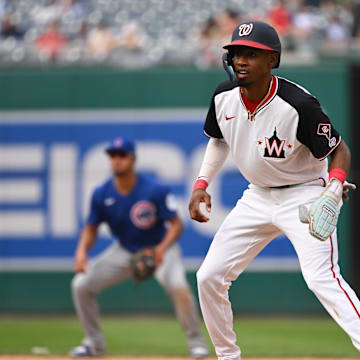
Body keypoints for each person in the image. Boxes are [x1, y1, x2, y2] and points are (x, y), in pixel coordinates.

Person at [188, 20, 359, 360]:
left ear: (273, 61)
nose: (241, 60)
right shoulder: (223, 97)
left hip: (305, 194)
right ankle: (227, 356)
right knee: (209, 276)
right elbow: (218, 140)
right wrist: (201, 184)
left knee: (321, 278)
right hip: (257, 196)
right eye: (236, 53)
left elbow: (340, 149)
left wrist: (334, 186)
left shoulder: (298, 104)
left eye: (252, 54)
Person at [70, 138, 209, 358]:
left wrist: (161, 249)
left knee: (178, 287)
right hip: (124, 250)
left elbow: (176, 225)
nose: (116, 160)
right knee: (81, 285)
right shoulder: (102, 193)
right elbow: (90, 228)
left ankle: (196, 344)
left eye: (121, 155)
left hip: (160, 248)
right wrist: (81, 253)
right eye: (113, 155)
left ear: (133, 159)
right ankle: (94, 344)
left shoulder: (154, 190)